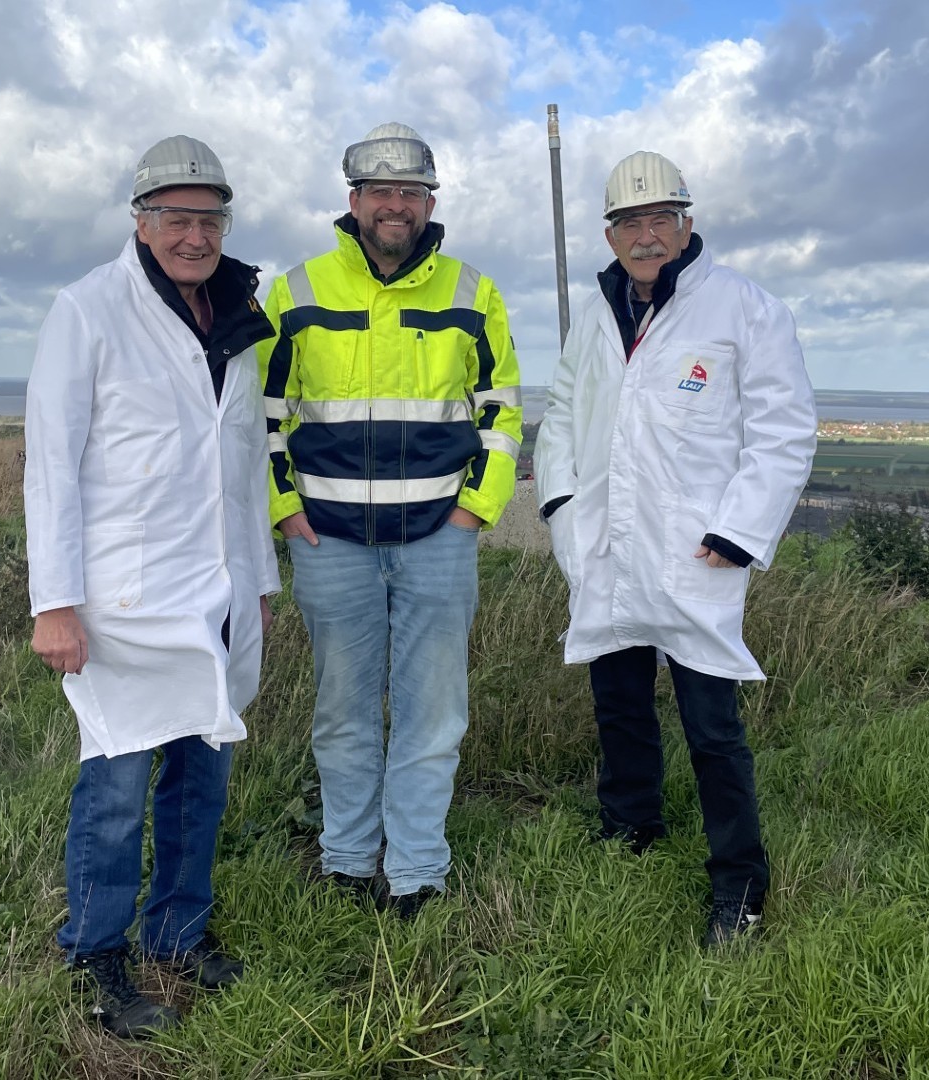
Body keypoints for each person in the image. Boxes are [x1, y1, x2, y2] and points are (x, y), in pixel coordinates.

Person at [23, 135, 278, 1037]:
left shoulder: (236, 317)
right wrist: (54, 602)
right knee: (117, 787)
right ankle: (95, 953)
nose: (194, 235)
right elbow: (51, 465)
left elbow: (242, 466)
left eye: (210, 219)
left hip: (218, 592)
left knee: (202, 777)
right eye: (175, 217)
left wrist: (258, 583)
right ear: (141, 221)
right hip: (122, 601)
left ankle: (177, 933)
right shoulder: (88, 310)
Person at [534, 150, 817, 947]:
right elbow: (561, 414)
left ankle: (739, 884)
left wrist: (738, 533)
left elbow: (784, 430)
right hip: (606, 542)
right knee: (618, 698)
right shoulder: (598, 314)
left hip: (695, 552)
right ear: (610, 234)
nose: (646, 235)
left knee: (712, 725)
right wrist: (560, 505)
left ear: (687, 224)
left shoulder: (745, 310)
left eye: (661, 218)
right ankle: (630, 825)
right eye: (630, 222)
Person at [259, 122, 521, 918]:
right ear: (354, 201)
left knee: (432, 712)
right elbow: (262, 417)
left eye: (411, 191)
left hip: (440, 537)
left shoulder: (472, 292)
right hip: (329, 541)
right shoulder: (298, 291)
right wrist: (284, 509)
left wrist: (475, 509)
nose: (396, 205)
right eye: (381, 191)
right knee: (342, 711)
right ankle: (346, 860)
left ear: (430, 202)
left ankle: (415, 872)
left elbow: (502, 411)